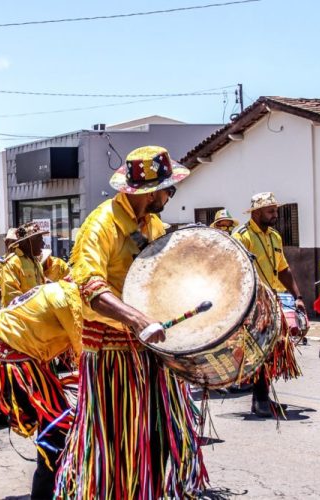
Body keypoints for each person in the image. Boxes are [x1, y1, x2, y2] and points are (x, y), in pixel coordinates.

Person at [55, 145, 206, 498]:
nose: (172, 194)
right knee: (117, 447)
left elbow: (166, 274)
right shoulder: (101, 224)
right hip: (112, 357)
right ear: (150, 191)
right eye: (169, 188)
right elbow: (89, 286)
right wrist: (138, 320)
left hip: (150, 351)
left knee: (157, 438)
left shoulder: (153, 224)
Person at [0, 279, 82, 498]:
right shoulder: (68, 299)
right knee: (56, 421)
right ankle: (44, 494)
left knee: (31, 412)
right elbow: (84, 351)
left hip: (0, 350)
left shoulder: (58, 288)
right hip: (9, 355)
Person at [233, 192, 305, 418]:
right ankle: (261, 400)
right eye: (270, 211)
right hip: (252, 303)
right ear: (256, 212)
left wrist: (298, 296)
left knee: (271, 351)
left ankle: (262, 398)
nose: (275, 215)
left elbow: (283, 269)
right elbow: (234, 271)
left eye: (275, 210)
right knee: (259, 352)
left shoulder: (274, 236)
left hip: (272, 300)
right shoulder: (242, 236)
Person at [0, 222, 47, 308]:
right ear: (28, 241)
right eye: (39, 240)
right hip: (21, 318)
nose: (43, 244)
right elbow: (11, 298)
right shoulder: (12, 263)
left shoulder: (36, 262)